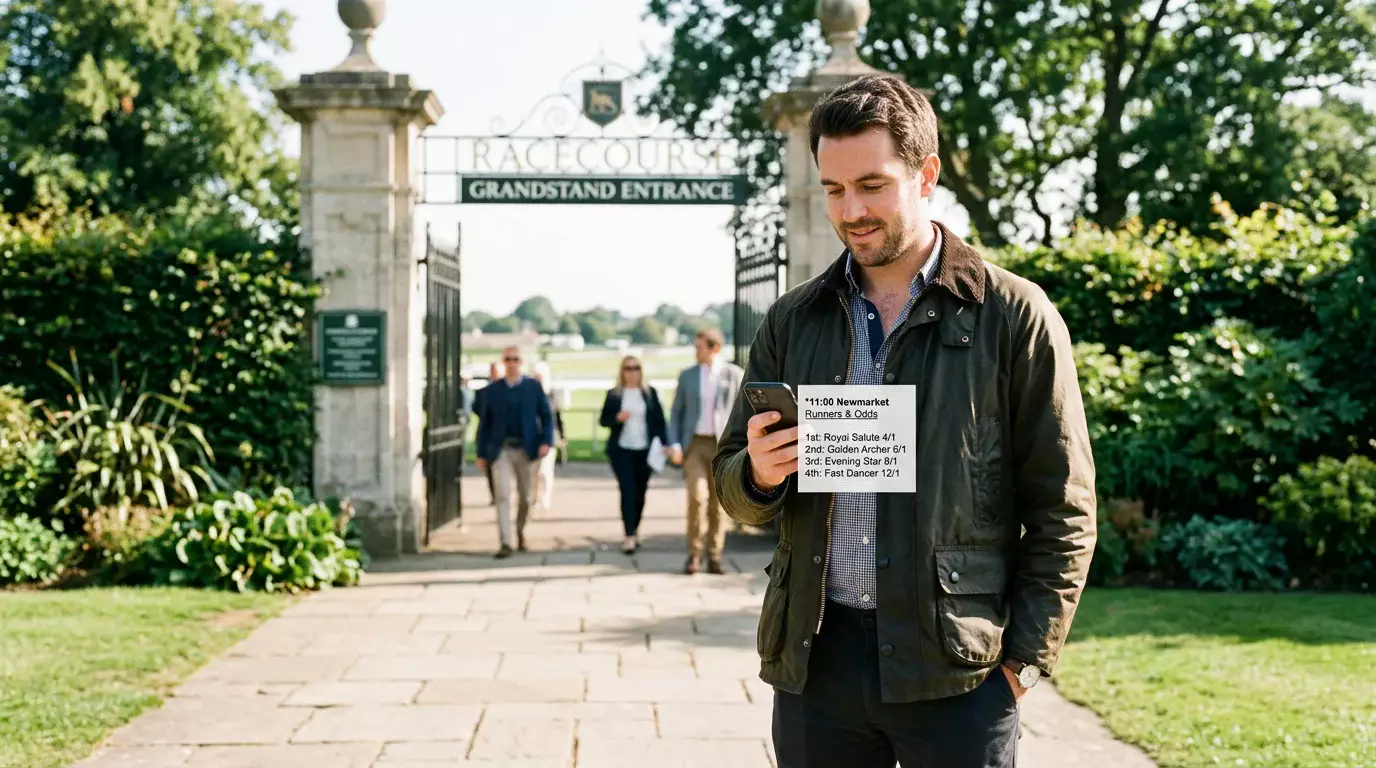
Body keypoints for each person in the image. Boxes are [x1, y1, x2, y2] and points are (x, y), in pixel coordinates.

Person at [712, 74, 1097, 768]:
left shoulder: (1013, 316)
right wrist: (760, 476)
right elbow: (732, 483)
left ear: (927, 175)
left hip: (957, 675)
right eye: (832, 190)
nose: (850, 210)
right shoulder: (793, 320)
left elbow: (1063, 508)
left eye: (871, 185)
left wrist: (1023, 667)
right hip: (815, 667)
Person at [667, 327, 744, 575]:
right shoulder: (687, 375)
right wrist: (675, 443)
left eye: (700, 347)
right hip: (695, 445)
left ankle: (714, 555)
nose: (695, 351)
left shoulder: (733, 374)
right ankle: (694, 553)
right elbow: (677, 412)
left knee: (719, 504)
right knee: (697, 497)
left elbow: (744, 409)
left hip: (723, 446)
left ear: (715, 349)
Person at [474, 346, 555, 558]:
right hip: (501, 449)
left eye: (515, 359)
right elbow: (484, 423)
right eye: (507, 359)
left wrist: (547, 440)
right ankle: (505, 542)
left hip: (527, 448)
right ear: (503, 362)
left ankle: (520, 531)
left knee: (527, 497)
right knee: (502, 495)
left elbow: (546, 415)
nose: (511, 364)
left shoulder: (533, 387)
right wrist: (481, 453)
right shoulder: (493, 390)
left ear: (521, 362)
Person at [599, 354, 668, 555]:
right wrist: (617, 418)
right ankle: (628, 535)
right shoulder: (614, 394)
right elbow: (604, 420)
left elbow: (659, 421)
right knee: (627, 491)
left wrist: (664, 443)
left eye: (636, 368)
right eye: (628, 368)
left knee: (640, 494)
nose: (632, 372)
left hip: (645, 451)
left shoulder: (649, 393)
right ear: (622, 372)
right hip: (622, 451)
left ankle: (635, 530)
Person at [531, 362, 565, 512]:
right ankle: (535, 497)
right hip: (533, 437)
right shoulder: (529, 396)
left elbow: (557, 417)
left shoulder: (550, 396)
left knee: (546, 470)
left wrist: (562, 436)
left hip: (549, 436)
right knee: (534, 471)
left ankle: (546, 496)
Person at [471, 361, 503, 504]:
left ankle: (502, 493)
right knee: (490, 468)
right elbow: (477, 409)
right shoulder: (482, 393)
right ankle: (495, 495)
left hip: (505, 436)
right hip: (489, 435)